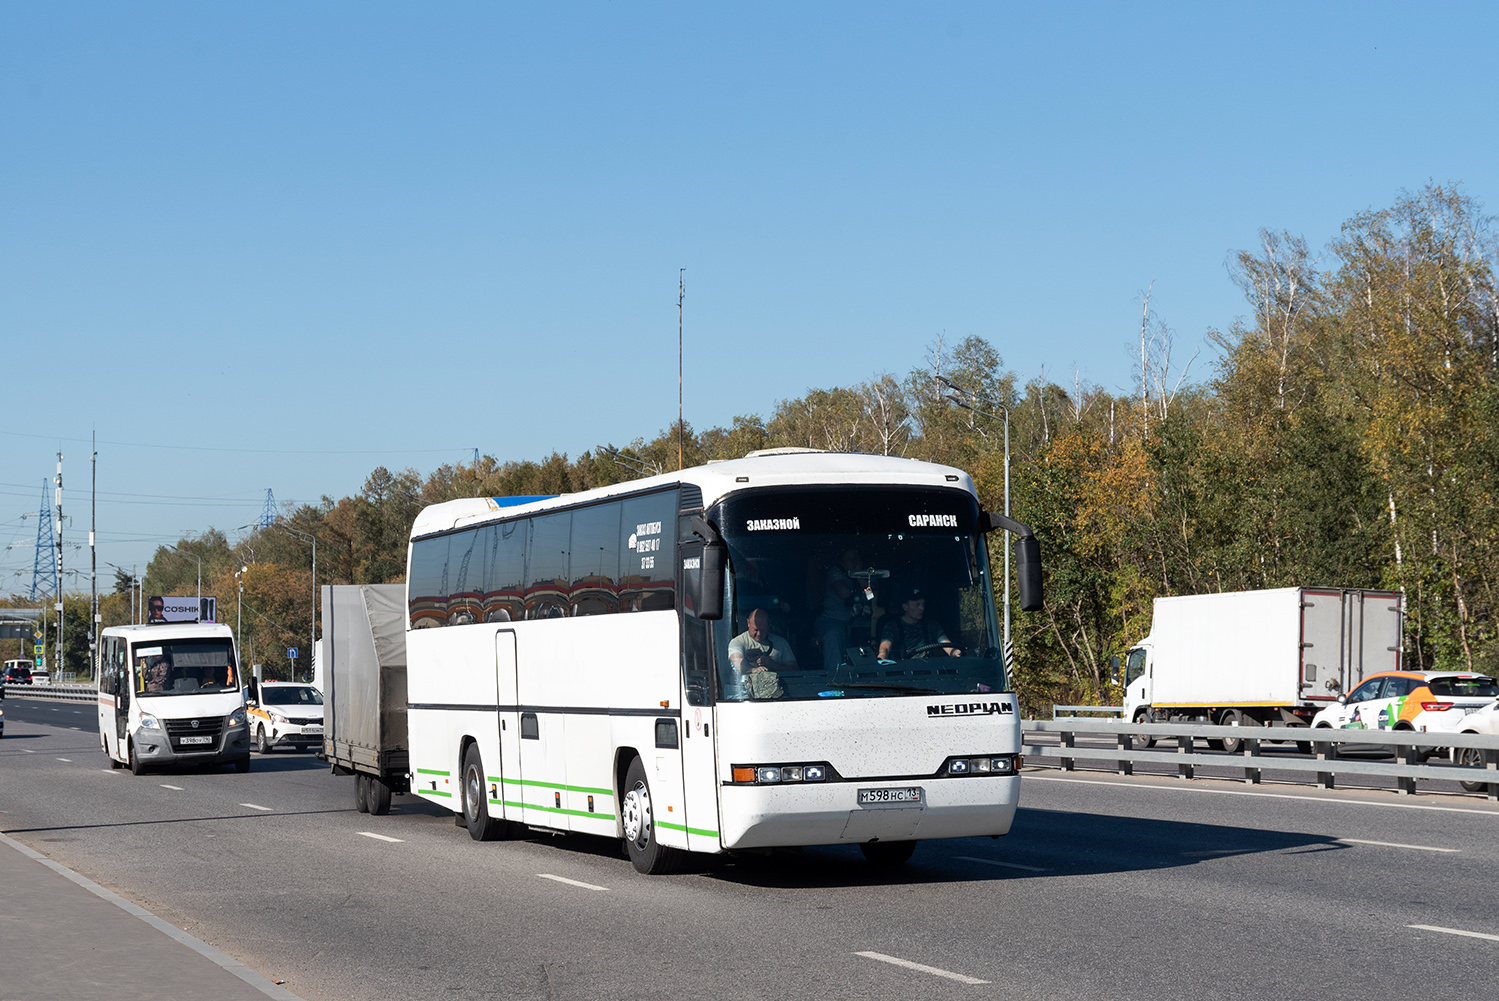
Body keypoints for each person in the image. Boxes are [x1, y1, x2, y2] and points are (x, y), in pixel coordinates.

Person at [814, 547, 872, 670]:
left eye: (856, 558)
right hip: (831, 619)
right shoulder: (835, 572)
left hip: (855, 622)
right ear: (841, 561)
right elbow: (845, 593)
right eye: (849, 559)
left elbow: (871, 595)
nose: (853, 561)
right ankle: (835, 674)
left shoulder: (865, 574)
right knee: (834, 634)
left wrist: (859, 576)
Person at [727, 609, 797, 699]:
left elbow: (794, 670)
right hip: (745, 696)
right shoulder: (738, 642)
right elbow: (737, 661)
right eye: (755, 630)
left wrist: (774, 666)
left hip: (778, 695)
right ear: (748, 623)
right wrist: (753, 669)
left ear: (769, 625)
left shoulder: (780, 643)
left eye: (763, 630)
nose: (759, 634)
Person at [878, 588, 960, 661]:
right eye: (917, 604)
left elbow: (945, 643)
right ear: (905, 607)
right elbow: (885, 646)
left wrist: (954, 652)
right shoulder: (892, 626)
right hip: (902, 673)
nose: (922, 608)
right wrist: (882, 656)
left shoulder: (931, 625)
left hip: (929, 671)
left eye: (923, 604)